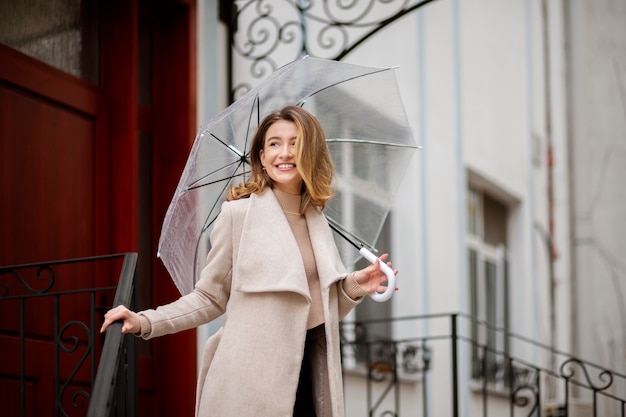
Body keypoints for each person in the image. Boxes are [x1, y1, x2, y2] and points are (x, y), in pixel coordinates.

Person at [100, 105, 397, 417]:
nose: (284, 153)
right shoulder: (238, 215)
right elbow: (209, 298)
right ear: (261, 156)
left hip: (312, 375)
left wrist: (354, 286)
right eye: (274, 143)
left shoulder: (317, 220)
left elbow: (317, 308)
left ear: (311, 153)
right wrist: (146, 321)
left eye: (295, 143)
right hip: (251, 383)